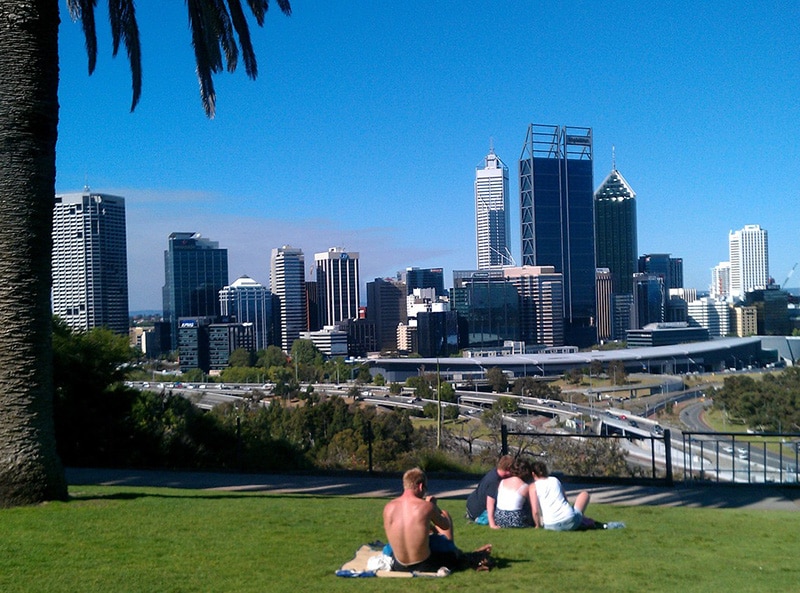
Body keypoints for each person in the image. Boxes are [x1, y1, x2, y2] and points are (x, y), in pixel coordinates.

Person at [382, 468, 462, 573]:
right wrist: (434, 507)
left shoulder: (388, 507)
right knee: (454, 553)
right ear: (420, 486)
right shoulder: (426, 506)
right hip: (425, 564)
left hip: (399, 565)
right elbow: (445, 525)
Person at [529, 461, 595, 531]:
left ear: (533, 474)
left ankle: (583, 520)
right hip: (569, 520)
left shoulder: (533, 487)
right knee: (584, 494)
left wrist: (537, 525)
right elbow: (565, 499)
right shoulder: (554, 480)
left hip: (550, 525)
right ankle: (583, 520)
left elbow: (535, 511)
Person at [465, 454, 514, 528]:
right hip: (478, 511)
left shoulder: (494, 472)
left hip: (471, 503)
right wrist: (492, 524)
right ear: (508, 469)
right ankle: (479, 519)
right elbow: (490, 504)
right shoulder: (493, 481)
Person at [494, 458, 534, 528]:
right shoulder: (525, 486)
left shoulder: (502, 482)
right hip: (515, 518)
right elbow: (532, 505)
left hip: (499, 517)